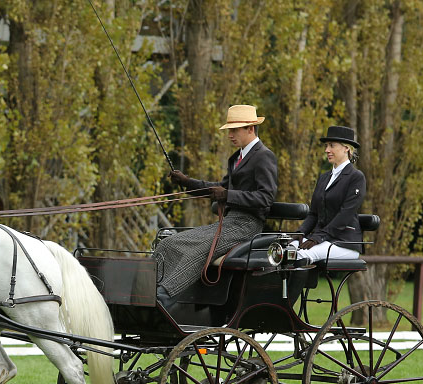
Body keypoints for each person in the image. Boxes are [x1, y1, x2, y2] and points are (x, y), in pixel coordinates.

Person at [155, 104, 278, 308]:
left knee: (199, 250)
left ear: (250, 129)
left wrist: (229, 195)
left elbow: (265, 198)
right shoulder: (237, 158)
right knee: (169, 243)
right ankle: (152, 286)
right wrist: (187, 183)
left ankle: (165, 296)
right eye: (229, 130)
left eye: (235, 130)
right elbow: (219, 188)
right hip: (228, 222)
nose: (230, 135)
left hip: (247, 226)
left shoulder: (264, 156)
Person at [290, 125, 366, 264]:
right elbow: (313, 214)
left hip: (344, 242)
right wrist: (299, 234)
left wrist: (319, 238)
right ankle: (284, 286)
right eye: (326, 146)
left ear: (346, 148)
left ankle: (295, 286)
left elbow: (346, 214)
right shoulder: (324, 178)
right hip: (321, 238)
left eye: (332, 145)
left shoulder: (356, 177)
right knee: (286, 250)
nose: (327, 150)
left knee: (301, 255)